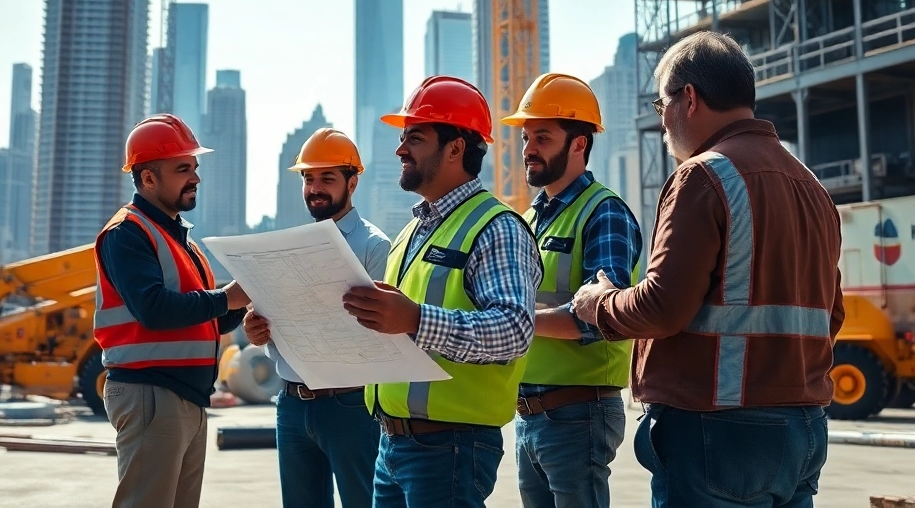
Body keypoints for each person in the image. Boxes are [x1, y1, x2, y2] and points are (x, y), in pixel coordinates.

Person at [571, 32, 844, 508]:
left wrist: (599, 304)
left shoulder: (704, 175)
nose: (663, 124)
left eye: (662, 107)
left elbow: (662, 306)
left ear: (689, 98)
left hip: (718, 429)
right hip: (804, 426)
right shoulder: (811, 186)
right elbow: (831, 314)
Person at [342, 75, 542, 508]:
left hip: (449, 447)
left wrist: (414, 318)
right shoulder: (412, 231)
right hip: (392, 443)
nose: (400, 149)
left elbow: (513, 331)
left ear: (455, 148)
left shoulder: (497, 228)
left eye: (415, 138)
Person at [94, 114, 251, 508]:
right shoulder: (127, 233)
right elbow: (153, 309)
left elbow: (207, 319)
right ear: (148, 178)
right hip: (151, 394)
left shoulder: (183, 241)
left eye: (194, 167)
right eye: (183, 169)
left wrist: (247, 303)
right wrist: (227, 298)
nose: (196, 177)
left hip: (185, 398)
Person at [500, 73, 642, 508]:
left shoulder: (604, 213)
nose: (528, 149)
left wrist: (514, 324)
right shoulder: (529, 220)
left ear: (579, 144)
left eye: (542, 137)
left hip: (579, 412)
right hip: (530, 413)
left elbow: (601, 317)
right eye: (526, 138)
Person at [242, 128, 390, 508]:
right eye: (308, 179)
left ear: (352, 183)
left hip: (350, 405)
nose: (315, 188)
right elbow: (276, 324)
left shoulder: (374, 246)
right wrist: (258, 330)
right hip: (291, 402)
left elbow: (380, 334)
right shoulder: (290, 247)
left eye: (327, 178)